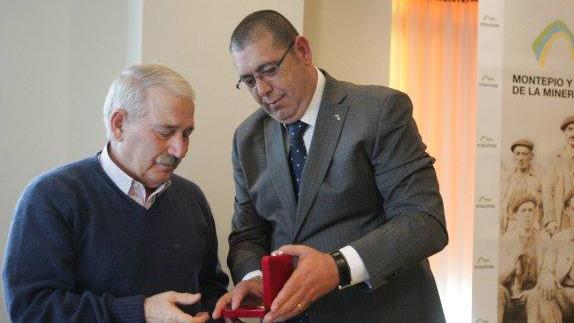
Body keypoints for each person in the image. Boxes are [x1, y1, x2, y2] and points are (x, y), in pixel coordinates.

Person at [212, 10, 448, 323]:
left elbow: (424, 221)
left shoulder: (379, 111)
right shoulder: (247, 138)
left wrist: (338, 266)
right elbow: (247, 235)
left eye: (268, 70)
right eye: (248, 80)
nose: (262, 90)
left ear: (302, 51)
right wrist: (254, 277)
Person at [2, 64, 228, 323]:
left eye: (187, 134)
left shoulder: (191, 198)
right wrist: (140, 312)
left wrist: (225, 309)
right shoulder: (50, 198)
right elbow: (31, 310)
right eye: (165, 132)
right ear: (119, 125)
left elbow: (208, 290)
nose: (180, 150)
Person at [497, 195, 550, 323]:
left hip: (534, 294)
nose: (527, 215)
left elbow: (547, 270)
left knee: (535, 297)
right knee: (497, 291)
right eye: (523, 211)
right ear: (515, 215)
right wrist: (513, 261)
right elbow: (498, 277)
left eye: (531, 210)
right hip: (511, 296)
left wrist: (534, 291)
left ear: (536, 214)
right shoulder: (506, 240)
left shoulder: (544, 238)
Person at [526, 191, 574, 322]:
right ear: (567, 210)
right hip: (565, 297)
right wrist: (548, 276)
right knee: (540, 294)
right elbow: (547, 268)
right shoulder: (559, 239)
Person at [500, 139, 543, 233]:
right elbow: (503, 206)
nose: (520, 158)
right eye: (518, 154)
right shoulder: (508, 178)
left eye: (524, 154)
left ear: (531, 156)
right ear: (514, 156)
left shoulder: (539, 177)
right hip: (511, 226)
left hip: (532, 226)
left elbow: (543, 205)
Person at [543, 116, 574, 236]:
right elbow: (548, 190)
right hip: (562, 216)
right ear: (565, 133)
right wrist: (551, 219)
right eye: (570, 129)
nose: (573, 134)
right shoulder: (556, 158)